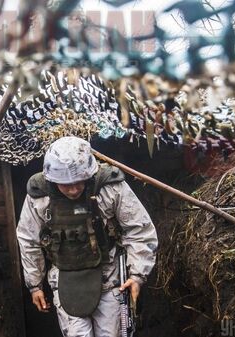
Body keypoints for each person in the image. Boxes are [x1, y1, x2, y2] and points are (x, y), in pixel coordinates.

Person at [16, 136, 158, 337]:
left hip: (108, 275)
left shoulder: (108, 187)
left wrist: (137, 274)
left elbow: (139, 229)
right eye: (66, 184)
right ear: (52, 180)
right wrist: (34, 285)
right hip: (65, 277)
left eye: (78, 182)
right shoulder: (39, 195)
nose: (73, 189)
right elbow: (28, 240)